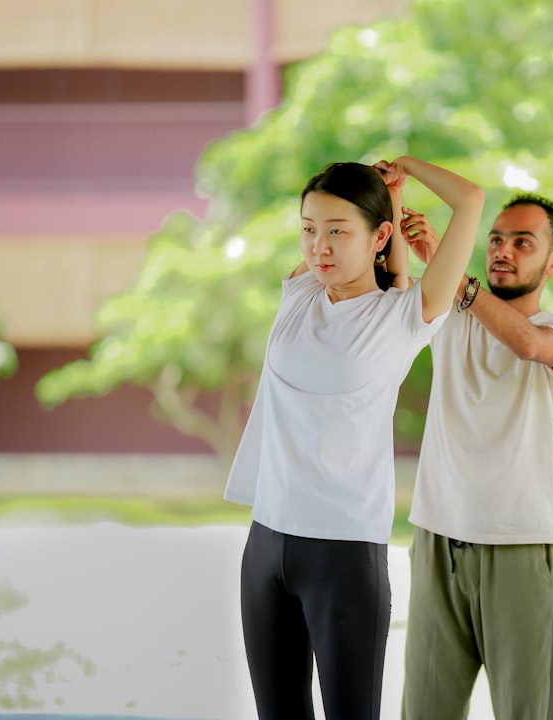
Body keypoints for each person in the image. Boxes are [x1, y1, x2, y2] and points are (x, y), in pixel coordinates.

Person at [223, 156, 484, 720]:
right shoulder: (300, 294)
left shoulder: (406, 317)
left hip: (342, 552)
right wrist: (387, 193)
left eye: (338, 232)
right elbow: (365, 250)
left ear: (380, 237)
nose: (320, 246)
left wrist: (405, 170)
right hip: (265, 543)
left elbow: (470, 201)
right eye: (308, 229)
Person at [398, 193, 553, 720]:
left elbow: (528, 344)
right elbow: (396, 284)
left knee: (525, 711)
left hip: (518, 543)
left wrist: (454, 275)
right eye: (497, 239)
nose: (503, 250)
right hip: (436, 539)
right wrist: (395, 196)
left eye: (523, 242)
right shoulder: (450, 316)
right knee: (423, 712)